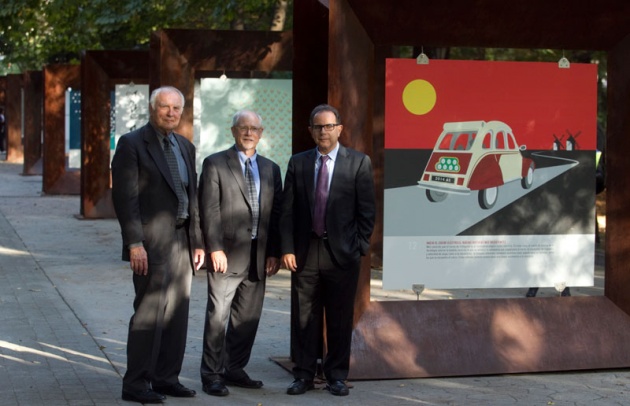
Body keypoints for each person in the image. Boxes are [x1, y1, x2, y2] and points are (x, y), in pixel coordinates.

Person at [111, 86, 205, 404]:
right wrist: (134, 243)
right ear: (153, 108)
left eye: (176, 108)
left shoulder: (185, 146)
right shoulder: (132, 144)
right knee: (149, 313)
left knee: (177, 313)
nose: (171, 113)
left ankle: (166, 378)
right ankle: (136, 383)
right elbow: (126, 199)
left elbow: (192, 197)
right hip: (151, 243)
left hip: (182, 240)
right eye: (165, 107)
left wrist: (198, 241)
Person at [280, 104, 375, 397]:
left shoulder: (358, 163)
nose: (324, 131)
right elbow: (287, 211)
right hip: (305, 253)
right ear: (310, 131)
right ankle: (304, 375)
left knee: (339, 317)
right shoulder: (298, 163)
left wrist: (356, 247)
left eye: (329, 126)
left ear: (339, 129)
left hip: (342, 255)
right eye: (318, 127)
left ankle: (336, 375)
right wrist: (287, 248)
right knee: (304, 318)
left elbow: (367, 212)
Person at [198, 110, 282, 397]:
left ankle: (234, 368)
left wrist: (274, 252)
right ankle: (211, 375)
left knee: (247, 320)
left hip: (258, 258)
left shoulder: (272, 169)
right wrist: (215, 248)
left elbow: (277, 215)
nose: (248, 133)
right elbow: (207, 209)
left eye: (254, 128)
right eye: (243, 128)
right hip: (226, 255)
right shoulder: (215, 164)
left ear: (262, 132)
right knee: (217, 318)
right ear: (233, 131)